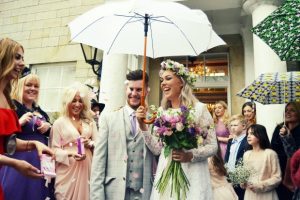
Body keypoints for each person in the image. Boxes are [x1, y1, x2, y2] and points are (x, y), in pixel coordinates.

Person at [137, 60, 218, 200]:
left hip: (193, 174)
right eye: (162, 80)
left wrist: (190, 155)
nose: (163, 83)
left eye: (168, 78)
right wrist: (142, 125)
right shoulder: (161, 112)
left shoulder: (199, 109)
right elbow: (157, 149)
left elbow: (212, 146)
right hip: (166, 172)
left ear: (181, 82)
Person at [0, 38, 54, 200]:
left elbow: (7, 143)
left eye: (22, 58)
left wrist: (34, 144)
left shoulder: (6, 98)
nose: (22, 63)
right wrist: (15, 163)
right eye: (17, 57)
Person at [90, 69, 156, 200]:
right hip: (114, 193)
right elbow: (98, 164)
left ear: (147, 90)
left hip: (145, 194)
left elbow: (158, 153)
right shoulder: (109, 119)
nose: (134, 93)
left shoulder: (154, 121)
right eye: (131, 89)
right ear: (126, 89)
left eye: (139, 90)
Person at [50, 82, 97, 200]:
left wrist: (90, 144)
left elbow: (100, 145)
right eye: (74, 100)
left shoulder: (90, 122)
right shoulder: (59, 123)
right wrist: (69, 153)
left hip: (87, 169)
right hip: (67, 171)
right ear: (67, 102)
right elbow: (53, 150)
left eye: (80, 101)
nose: (77, 104)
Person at [242, 124, 281, 200]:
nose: (248, 136)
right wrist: (242, 181)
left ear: (260, 135)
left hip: (266, 195)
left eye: (252, 133)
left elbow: (277, 177)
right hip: (250, 194)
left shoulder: (270, 153)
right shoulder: (246, 154)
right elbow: (245, 174)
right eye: (248, 133)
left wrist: (260, 185)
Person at [271, 102, 300, 200]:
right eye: (286, 110)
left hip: (295, 171)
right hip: (279, 169)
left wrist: (287, 137)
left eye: (292, 110)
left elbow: (295, 153)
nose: (288, 113)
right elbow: (273, 149)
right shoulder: (279, 128)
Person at [224, 114, 248, 200]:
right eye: (231, 125)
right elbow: (227, 157)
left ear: (244, 126)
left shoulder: (247, 141)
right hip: (230, 175)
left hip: (241, 177)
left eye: (235, 125)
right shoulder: (231, 141)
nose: (232, 127)